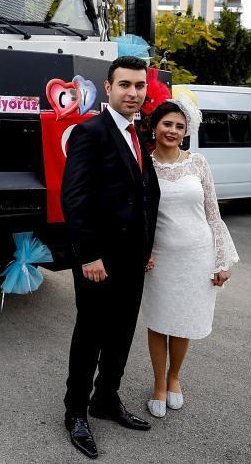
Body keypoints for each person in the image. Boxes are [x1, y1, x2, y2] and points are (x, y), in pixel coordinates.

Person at [60, 55, 161, 460]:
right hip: (98, 261)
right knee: (90, 336)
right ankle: (75, 412)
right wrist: (89, 255)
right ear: (108, 87)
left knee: (121, 333)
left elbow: (143, 196)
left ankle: (106, 398)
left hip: (132, 258)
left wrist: (147, 248)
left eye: (140, 85)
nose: (133, 93)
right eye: (125, 85)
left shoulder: (137, 134)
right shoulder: (90, 132)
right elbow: (75, 198)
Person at [141, 97, 239, 419]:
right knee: (158, 322)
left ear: (186, 131)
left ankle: (174, 378)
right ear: (154, 127)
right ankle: (158, 384)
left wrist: (221, 261)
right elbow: (136, 215)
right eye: (167, 124)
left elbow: (213, 213)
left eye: (179, 126)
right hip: (159, 260)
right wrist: (141, 252)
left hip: (198, 257)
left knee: (183, 322)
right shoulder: (143, 165)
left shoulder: (198, 163)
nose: (172, 130)